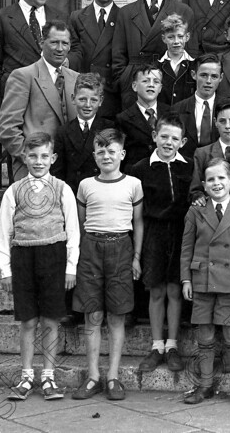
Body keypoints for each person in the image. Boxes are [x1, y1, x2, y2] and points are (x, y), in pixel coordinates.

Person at [0, 132, 79, 401]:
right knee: (28, 320)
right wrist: (6, 270)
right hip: (23, 259)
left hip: (54, 257)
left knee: (51, 319)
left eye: (44, 156)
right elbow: (3, 233)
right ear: (25, 157)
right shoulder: (14, 191)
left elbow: (73, 230)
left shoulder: (62, 189)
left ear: (52, 158)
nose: (38, 161)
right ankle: (27, 376)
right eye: (33, 156)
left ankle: (49, 377)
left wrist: (71, 267)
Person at [71, 128, 143, 401]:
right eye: (100, 151)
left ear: (122, 154)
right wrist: (78, 255)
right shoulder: (86, 185)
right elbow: (79, 223)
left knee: (116, 315)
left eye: (111, 151)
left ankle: (113, 376)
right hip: (91, 248)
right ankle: (93, 376)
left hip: (121, 248)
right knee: (93, 315)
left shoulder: (133, 184)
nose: (106, 156)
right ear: (94, 155)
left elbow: (138, 223)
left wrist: (136, 257)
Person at [181, 158, 230, 407]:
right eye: (211, 179)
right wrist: (185, 279)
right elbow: (187, 247)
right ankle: (205, 384)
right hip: (202, 278)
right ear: (203, 184)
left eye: (221, 178)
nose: (217, 183)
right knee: (204, 332)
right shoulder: (196, 210)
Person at [130, 115, 194, 375]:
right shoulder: (140, 169)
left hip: (180, 233)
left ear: (183, 142)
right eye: (164, 136)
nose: (169, 142)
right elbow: (137, 215)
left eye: (175, 138)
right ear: (155, 136)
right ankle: (157, 346)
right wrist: (137, 253)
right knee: (156, 290)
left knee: (175, 291)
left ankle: (172, 346)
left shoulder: (188, 168)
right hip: (154, 234)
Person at [0, 20, 77, 181]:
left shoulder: (76, 78)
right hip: (33, 170)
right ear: (42, 43)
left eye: (65, 43)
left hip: (69, 170)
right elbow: (7, 128)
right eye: (54, 42)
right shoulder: (23, 76)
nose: (60, 48)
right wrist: (32, 158)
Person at [111, 0, 196, 106]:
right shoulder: (126, 12)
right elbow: (118, 56)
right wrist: (124, 80)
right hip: (136, 83)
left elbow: (192, 52)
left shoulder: (183, 10)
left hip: (171, 80)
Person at [69, 0, 121, 117]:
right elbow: (74, 54)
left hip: (112, 93)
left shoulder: (124, 17)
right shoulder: (77, 17)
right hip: (86, 93)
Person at [51, 72, 116, 193]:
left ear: (101, 101)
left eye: (93, 100)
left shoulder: (109, 128)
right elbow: (57, 173)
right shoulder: (63, 132)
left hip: (101, 193)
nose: (88, 105)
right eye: (82, 99)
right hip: (73, 194)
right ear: (73, 99)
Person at [115, 63, 169, 172]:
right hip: (137, 175)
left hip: (164, 173)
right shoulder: (123, 119)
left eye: (156, 82)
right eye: (145, 81)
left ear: (160, 88)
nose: (151, 85)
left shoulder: (171, 113)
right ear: (134, 86)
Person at [173, 53, 229, 156]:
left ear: (221, 78)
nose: (208, 81)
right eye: (203, 75)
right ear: (194, 75)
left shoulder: (229, 108)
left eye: (214, 76)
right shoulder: (178, 110)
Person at [156, 13, 196, 106]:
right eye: (171, 37)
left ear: (187, 37)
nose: (176, 42)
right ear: (164, 38)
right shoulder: (156, 66)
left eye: (180, 36)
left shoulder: (195, 65)